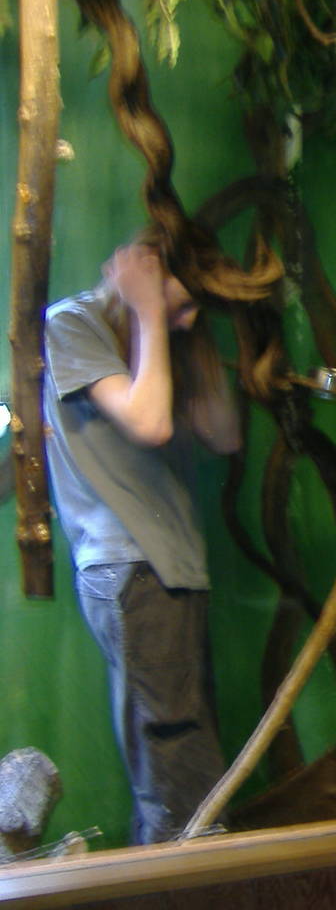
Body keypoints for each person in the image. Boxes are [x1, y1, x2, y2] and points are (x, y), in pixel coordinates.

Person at [41, 234, 241, 843]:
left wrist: (179, 328)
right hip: (131, 568)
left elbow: (224, 434)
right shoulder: (71, 322)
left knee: (186, 764)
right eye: (180, 306)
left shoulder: (158, 346)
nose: (188, 320)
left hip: (170, 568)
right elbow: (149, 421)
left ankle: (182, 902)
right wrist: (151, 310)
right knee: (175, 774)